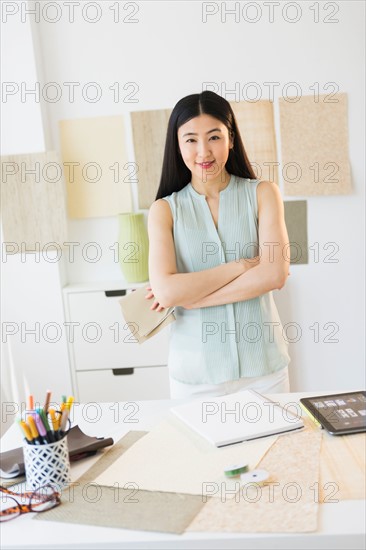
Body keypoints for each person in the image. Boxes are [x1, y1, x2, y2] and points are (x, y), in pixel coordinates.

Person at [146, 90, 291, 399]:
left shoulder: (264, 194)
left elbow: (274, 274)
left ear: (231, 138)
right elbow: (168, 292)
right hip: (195, 378)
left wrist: (195, 298)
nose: (203, 152)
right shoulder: (164, 211)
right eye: (190, 140)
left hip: (264, 371)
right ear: (177, 145)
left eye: (214, 137)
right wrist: (240, 266)